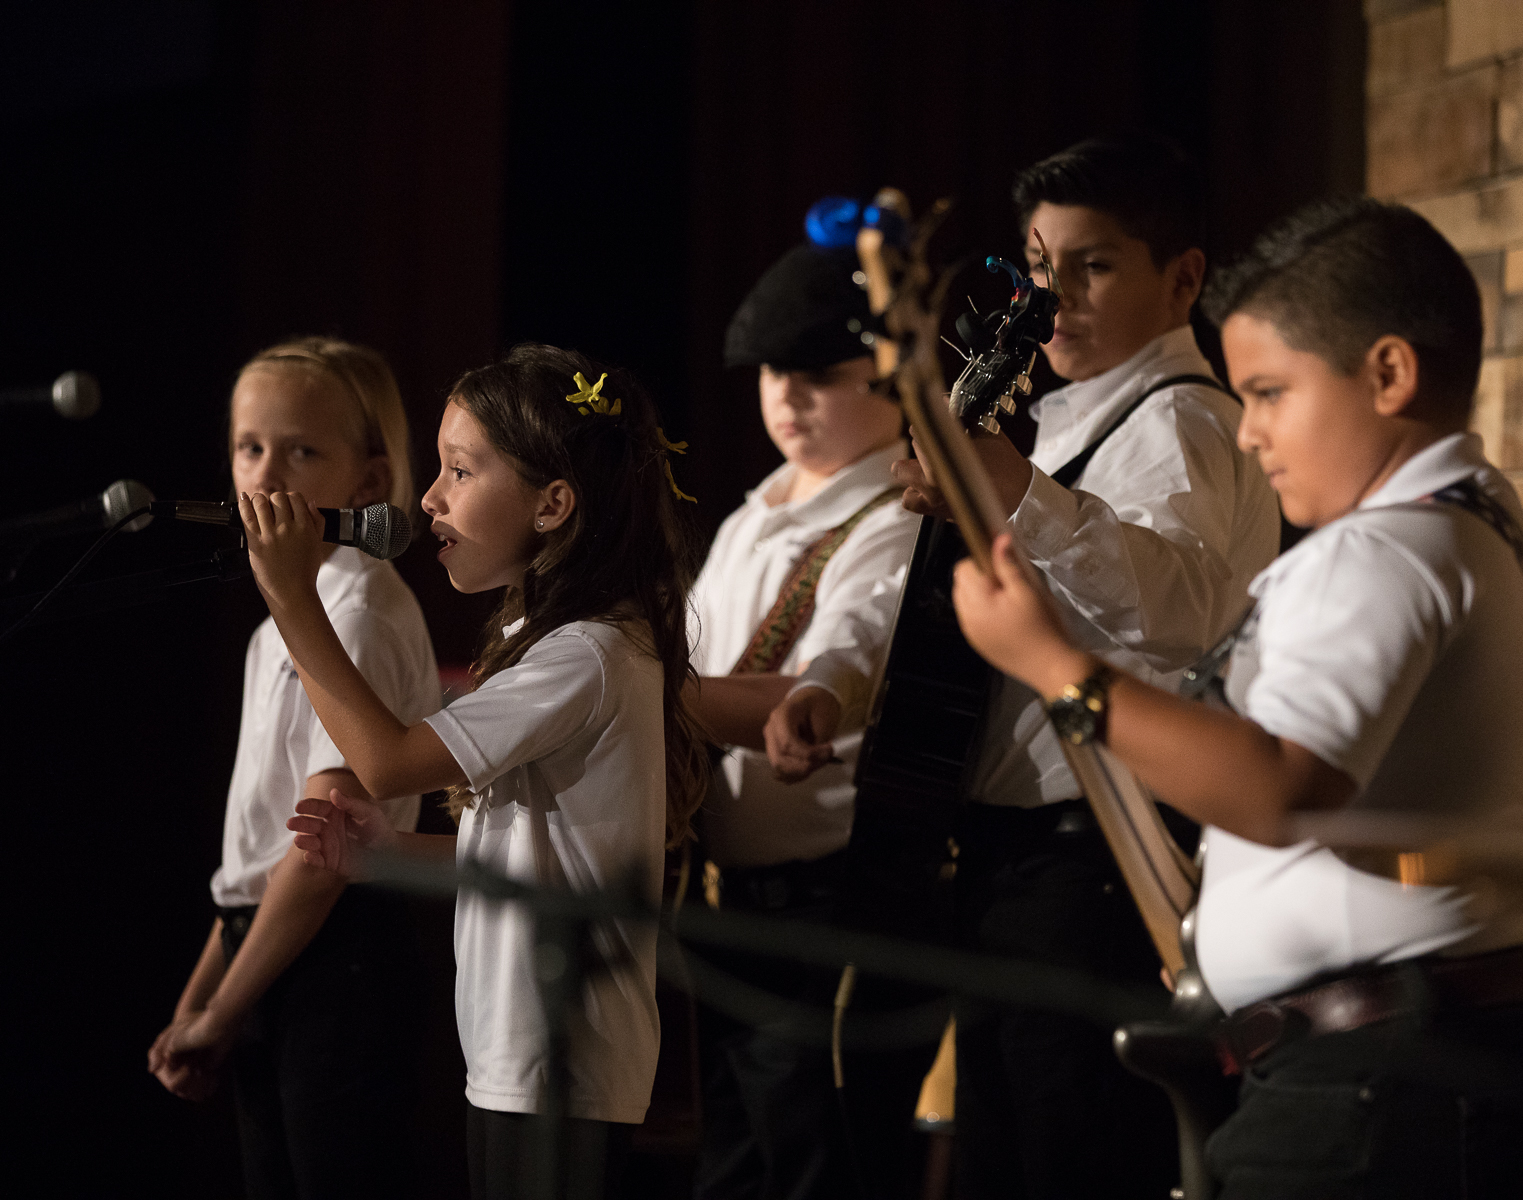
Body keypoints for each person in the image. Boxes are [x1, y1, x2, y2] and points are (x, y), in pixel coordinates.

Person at [951, 195, 1523, 1198]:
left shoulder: (1379, 552)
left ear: (1386, 373)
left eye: (1266, 392)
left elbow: (1278, 790)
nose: (1248, 432)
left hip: (1368, 1091)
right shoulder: (1477, 523)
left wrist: (1053, 665)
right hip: (1415, 1065)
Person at [765, 136, 1282, 1198]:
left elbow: (1181, 612)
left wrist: (1016, 495)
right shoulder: (1049, 417)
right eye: (1038, 266)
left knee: (1073, 1155)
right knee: (1003, 1155)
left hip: (1094, 859)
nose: (1053, 298)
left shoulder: (1181, 419)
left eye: (1090, 265)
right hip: (1012, 860)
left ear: (1181, 277)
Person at [236, 343, 708, 1200]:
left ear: (553, 502)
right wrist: (388, 852)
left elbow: (381, 762)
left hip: (562, 1055)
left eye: (460, 470)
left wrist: (290, 595)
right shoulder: (559, 646)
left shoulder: (588, 652)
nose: (428, 499)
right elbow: (529, 862)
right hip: (515, 1051)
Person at [147, 338, 442, 1199]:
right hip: (266, 950)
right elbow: (249, 869)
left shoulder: (356, 617)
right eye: (250, 447)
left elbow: (318, 854)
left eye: (302, 450)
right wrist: (197, 1006)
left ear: (368, 479)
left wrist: (221, 1013)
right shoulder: (276, 626)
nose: (266, 474)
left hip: (335, 963)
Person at [685, 234, 923, 1200]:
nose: (787, 396)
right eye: (773, 374)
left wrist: (815, 693)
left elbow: (856, 640)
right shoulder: (751, 516)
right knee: (734, 1165)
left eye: (820, 374)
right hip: (730, 901)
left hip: (830, 905)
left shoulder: (901, 513)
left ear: (894, 377)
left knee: (818, 1166)